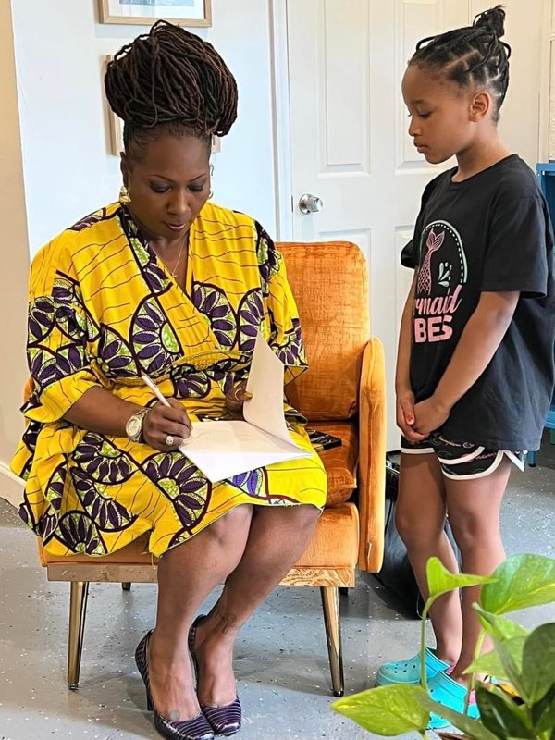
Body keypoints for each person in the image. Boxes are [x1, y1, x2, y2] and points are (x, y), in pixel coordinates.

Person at [11, 21, 326, 740]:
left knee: (299, 499)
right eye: (159, 187)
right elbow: (55, 379)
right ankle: (167, 653)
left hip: (231, 429)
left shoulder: (245, 241)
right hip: (109, 433)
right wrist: (134, 418)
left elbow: (280, 344)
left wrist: (254, 396)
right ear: (126, 171)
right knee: (222, 513)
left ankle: (216, 637)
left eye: (196, 186)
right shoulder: (72, 255)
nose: (180, 205)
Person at [375, 5, 555, 730]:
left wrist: (444, 400)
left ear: (477, 106)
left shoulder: (514, 189)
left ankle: (476, 680)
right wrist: (402, 382)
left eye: (424, 112)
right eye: (410, 113)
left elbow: (496, 309)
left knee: (474, 528)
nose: (412, 128)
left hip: (484, 397)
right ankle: (448, 651)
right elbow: (420, 292)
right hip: (429, 392)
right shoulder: (440, 190)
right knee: (416, 522)